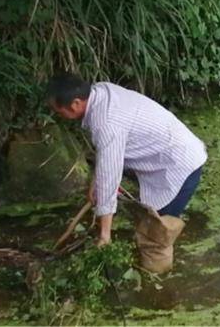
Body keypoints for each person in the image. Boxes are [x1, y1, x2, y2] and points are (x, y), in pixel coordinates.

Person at [46, 73, 207, 272]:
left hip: (179, 165)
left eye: (57, 109)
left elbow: (110, 175)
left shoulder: (106, 122)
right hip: (166, 154)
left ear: (76, 103)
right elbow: (106, 157)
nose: (56, 114)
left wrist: (105, 235)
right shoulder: (100, 92)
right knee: (147, 220)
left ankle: (158, 279)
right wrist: (95, 183)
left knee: (156, 233)